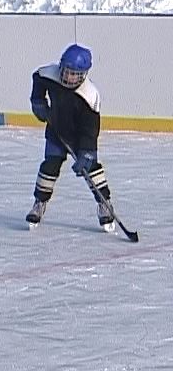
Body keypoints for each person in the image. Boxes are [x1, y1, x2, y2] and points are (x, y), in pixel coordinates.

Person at [25, 43, 116, 231]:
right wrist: (37, 100)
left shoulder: (89, 96)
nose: (68, 76)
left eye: (74, 74)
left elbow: (90, 131)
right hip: (56, 130)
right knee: (50, 166)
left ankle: (105, 205)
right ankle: (39, 203)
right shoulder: (49, 74)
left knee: (92, 169)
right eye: (66, 71)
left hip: (79, 137)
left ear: (84, 74)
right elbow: (38, 78)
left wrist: (87, 153)